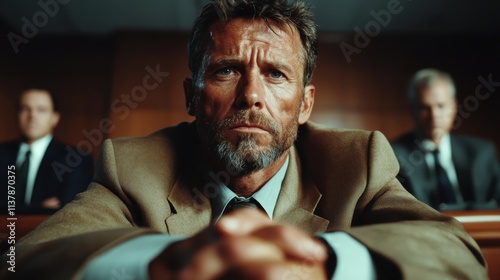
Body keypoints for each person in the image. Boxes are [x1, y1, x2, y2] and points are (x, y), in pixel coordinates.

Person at [1, 1, 488, 279]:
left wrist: (324, 264)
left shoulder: (356, 163)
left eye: (276, 74)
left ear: (305, 104)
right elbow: (26, 259)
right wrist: (163, 264)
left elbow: (454, 250)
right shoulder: (134, 166)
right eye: (227, 70)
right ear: (191, 97)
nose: (251, 96)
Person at [392, 69, 500, 210]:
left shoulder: (482, 152)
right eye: (425, 108)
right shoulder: (393, 156)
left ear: (454, 106)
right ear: (412, 109)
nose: (434, 115)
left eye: (441, 106)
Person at [0, 86, 93, 213]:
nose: (32, 115)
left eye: (41, 110)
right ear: (17, 115)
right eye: (25, 109)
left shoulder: (76, 159)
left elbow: (69, 213)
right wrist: (39, 208)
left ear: (55, 117)